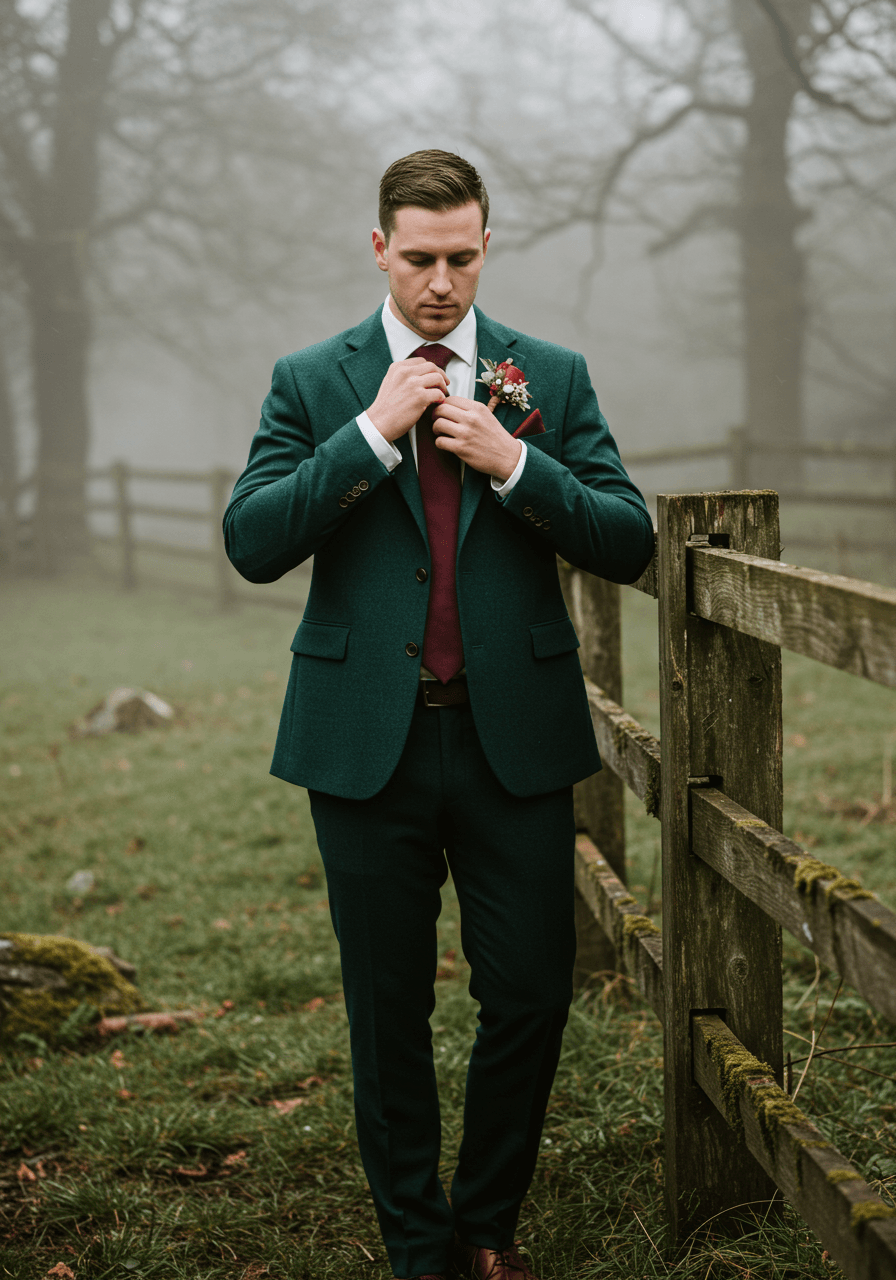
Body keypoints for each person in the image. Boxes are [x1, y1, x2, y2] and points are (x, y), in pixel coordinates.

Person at [224, 149, 654, 1280]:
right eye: (418, 258)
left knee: (528, 992)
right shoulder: (312, 377)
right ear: (379, 248)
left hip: (513, 742)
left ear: (485, 244)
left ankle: (485, 1225)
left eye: (461, 257)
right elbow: (253, 540)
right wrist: (368, 435)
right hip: (365, 743)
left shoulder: (543, 372)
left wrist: (517, 463)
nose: (440, 283)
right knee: (386, 1008)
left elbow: (626, 533)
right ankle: (418, 1246)